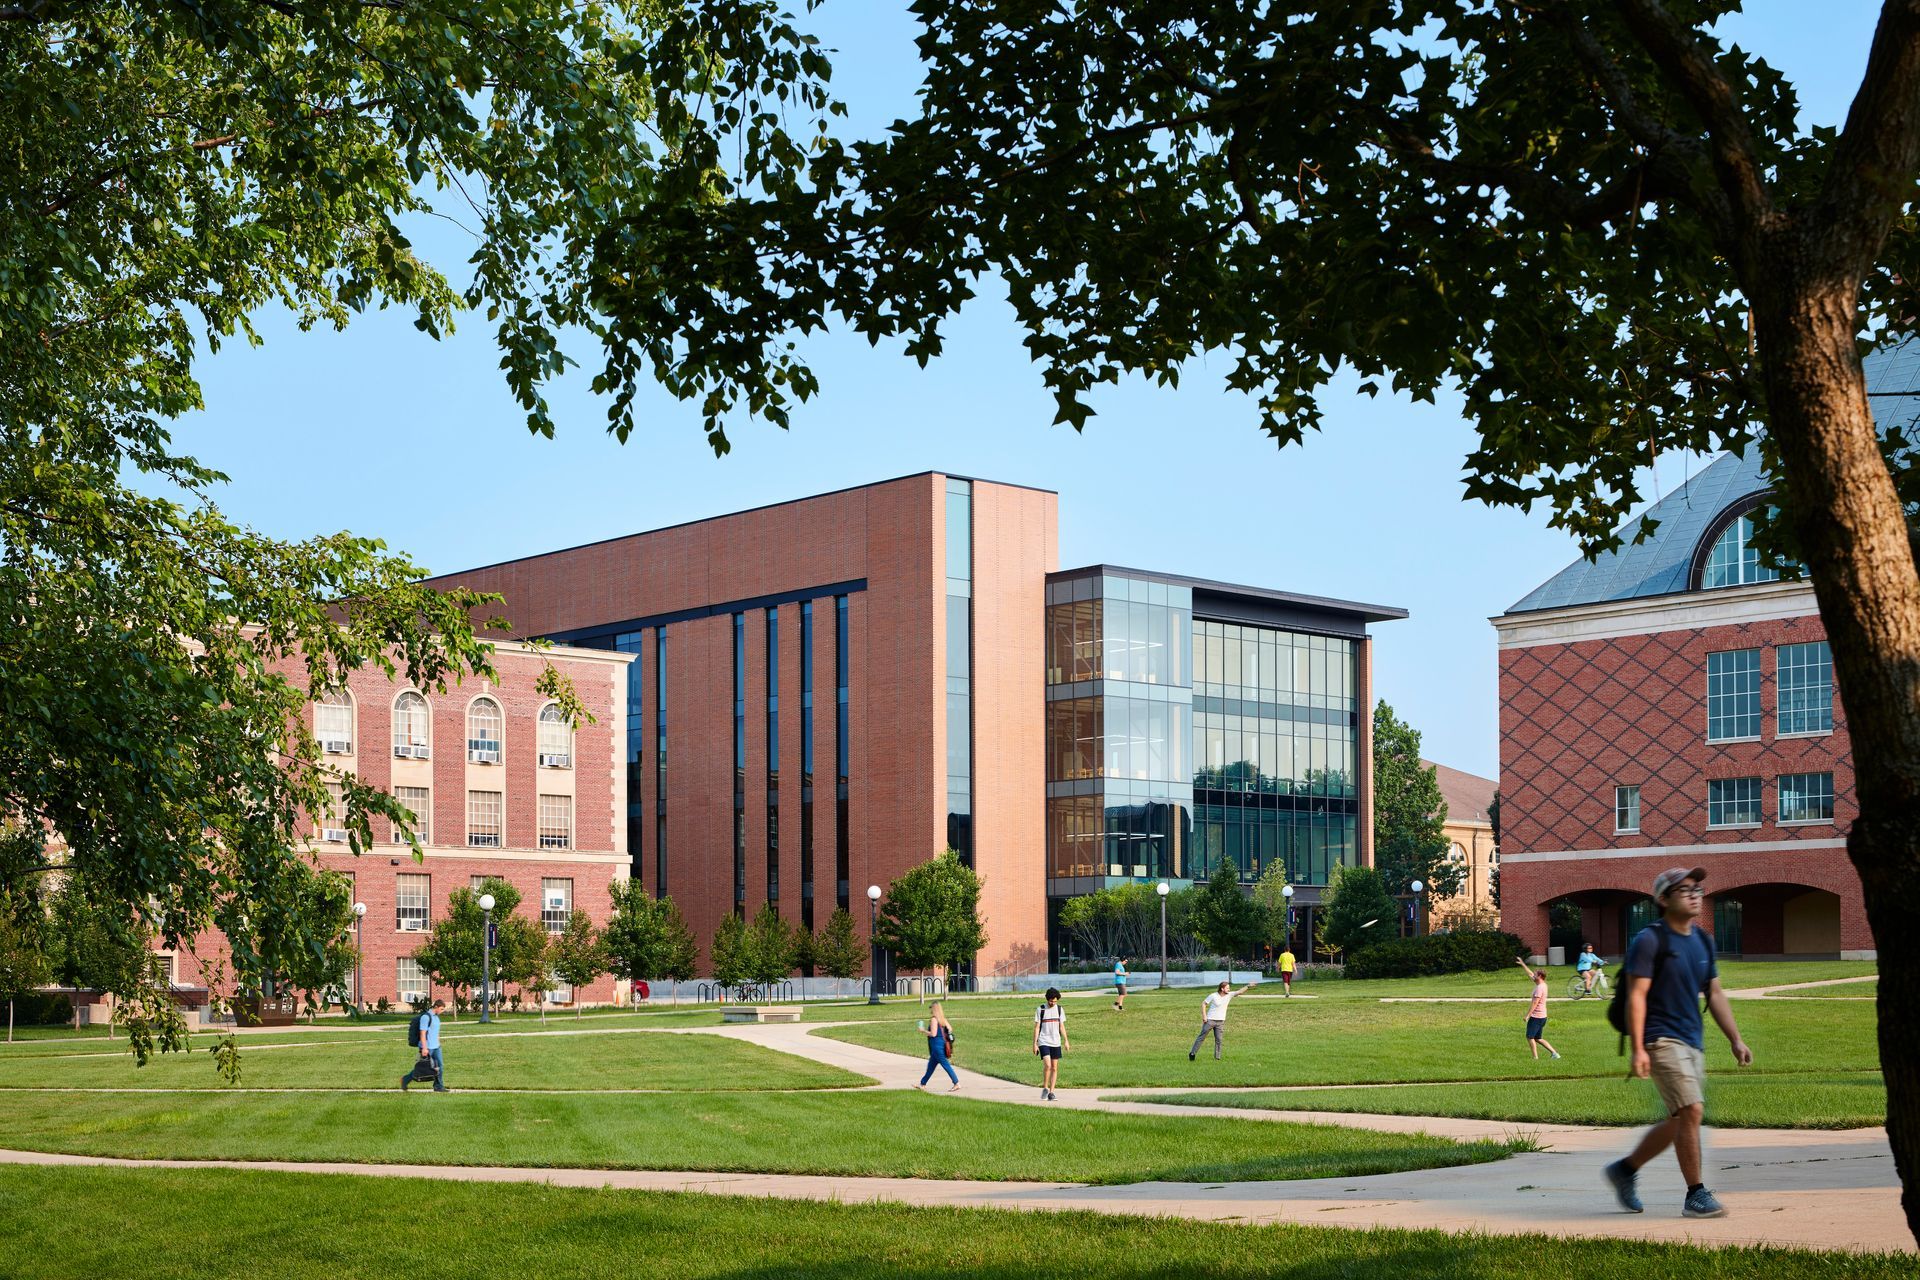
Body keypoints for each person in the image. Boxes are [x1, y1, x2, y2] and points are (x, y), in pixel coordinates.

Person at [1604, 867, 1753, 1220]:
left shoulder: (1702, 940)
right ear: (1663, 899)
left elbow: (1714, 992)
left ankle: (1624, 1170)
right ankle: (1695, 1194)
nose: (1694, 894)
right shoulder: (1650, 940)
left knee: (1680, 1119)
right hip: (1660, 1038)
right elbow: (1637, 997)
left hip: (1691, 1040)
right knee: (1692, 1111)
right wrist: (1639, 1047)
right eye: (1684, 889)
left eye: (1698, 888)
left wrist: (1735, 1038)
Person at [1188, 979, 1255, 1061]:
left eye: (1229, 988)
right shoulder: (1213, 995)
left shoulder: (1229, 995)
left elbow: (1239, 992)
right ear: (1222, 989)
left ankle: (1217, 1058)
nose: (1229, 989)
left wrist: (1248, 986)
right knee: (1201, 1038)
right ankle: (1192, 1053)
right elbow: (1204, 1003)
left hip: (1220, 1022)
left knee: (1219, 1040)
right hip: (1210, 1020)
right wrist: (1204, 1016)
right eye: (1227, 988)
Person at [1513, 955, 1562, 1060]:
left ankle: (1535, 1058)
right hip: (1543, 1016)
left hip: (1537, 1017)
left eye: (1535, 974)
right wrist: (1522, 964)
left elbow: (1535, 1003)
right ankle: (1555, 1054)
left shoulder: (1539, 988)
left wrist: (1527, 1016)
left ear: (1539, 976)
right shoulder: (1543, 984)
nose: (1533, 975)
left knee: (1530, 1037)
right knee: (1538, 1038)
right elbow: (1530, 973)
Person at [400, 998, 447, 1092]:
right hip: (427, 1047)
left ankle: (438, 1086)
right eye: (441, 1009)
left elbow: (436, 1032)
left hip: (436, 1047)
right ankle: (405, 1079)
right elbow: (422, 1033)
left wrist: (438, 1042)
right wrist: (424, 1048)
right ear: (436, 1007)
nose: (442, 1011)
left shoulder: (436, 1017)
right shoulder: (425, 1017)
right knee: (423, 1068)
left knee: (440, 1066)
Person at [915, 1001, 960, 1091]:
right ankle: (922, 1084)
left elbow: (933, 1034)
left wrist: (923, 1030)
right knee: (930, 1067)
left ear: (934, 1009)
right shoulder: (942, 1019)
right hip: (941, 1046)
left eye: (931, 1008)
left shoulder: (934, 1019)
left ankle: (956, 1083)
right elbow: (950, 1029)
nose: (930, 1010)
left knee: (946, 1065)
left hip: (937, 1047)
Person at [1033, 987, 1069, 1099]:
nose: (1052, 1003)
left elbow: (1061, 1026)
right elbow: (1037, 1027)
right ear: (1047, 999)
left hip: (1056, 1041)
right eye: (1051, 1001)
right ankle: (1045, 1088)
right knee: (1047, 1065)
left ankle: (1051, 1093)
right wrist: (1035, 1043)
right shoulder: (1041, 1009)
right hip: (1043, 1041)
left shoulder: (1059, 1009)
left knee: (1054, 1067)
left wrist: (1066, 1041)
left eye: (1055, 1001)